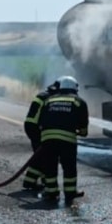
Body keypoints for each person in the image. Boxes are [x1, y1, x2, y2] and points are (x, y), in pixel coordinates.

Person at [37, 75, 89, 203]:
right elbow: (83, 126)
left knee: (50, 166)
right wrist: (82, 132)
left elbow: (40, 121)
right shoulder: (78, 102)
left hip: (47, 138)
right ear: (74, 88)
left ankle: (51, 192)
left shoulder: (48, 100)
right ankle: (70, 193)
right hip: (67, 140)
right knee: (69, 166)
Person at [21, 80, 60, 191]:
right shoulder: (51, 98)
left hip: (30, 125)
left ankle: (31, 181)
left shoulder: (44, 95)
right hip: (36, 128)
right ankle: (41, 182)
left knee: (41, 155)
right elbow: (47, 115)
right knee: (45, 155)